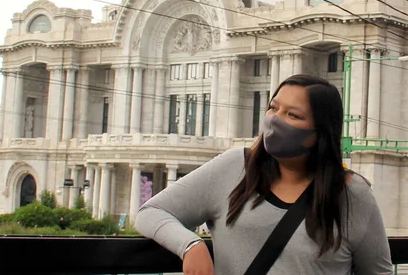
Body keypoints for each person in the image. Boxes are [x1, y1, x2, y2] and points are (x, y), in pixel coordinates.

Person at [136, 74, 393, 275]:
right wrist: (191, 245)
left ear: (320, 133)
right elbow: (150, 213)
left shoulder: (352, 193)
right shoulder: (234, 167)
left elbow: (378, 271)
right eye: (273, 107)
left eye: (293, 115)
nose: (275, 119)